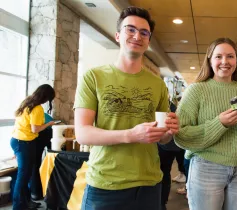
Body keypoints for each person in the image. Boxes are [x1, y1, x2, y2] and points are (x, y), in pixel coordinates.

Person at [74, 6, 179, 210]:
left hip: (148, 183)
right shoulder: (94, 77)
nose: (137, 36)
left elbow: (163, 138)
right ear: (117, 35)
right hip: (105, 184)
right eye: (130, 30)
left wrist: (169, 131)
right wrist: (131, 135)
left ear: (148, 41)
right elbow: (83, 133)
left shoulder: (157, 84)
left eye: (144, 32)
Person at [175, 37, 237, 210]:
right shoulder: (196, 90)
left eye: (230, 56)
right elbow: (181, 135)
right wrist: (220, 123)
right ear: (210, 60)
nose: (224, 62)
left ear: (236, 60)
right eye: (218, 56)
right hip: (206, 166)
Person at [10, 84, 56, 210]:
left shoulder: (27, 102)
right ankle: (18, 206)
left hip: (17, 140)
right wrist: (49, 124)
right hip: (24, 142)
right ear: (45, 97)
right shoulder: (37, 108)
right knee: (23, 175)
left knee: (26, 174)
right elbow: (35, 129)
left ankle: (26, 202)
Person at [157, 101, 185, 210]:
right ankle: (162, 201)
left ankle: (162, 201)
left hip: (169, 145)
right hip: (172, 145)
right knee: (165, 172)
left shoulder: (166, 105)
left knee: (164, 172)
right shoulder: (170, 105)